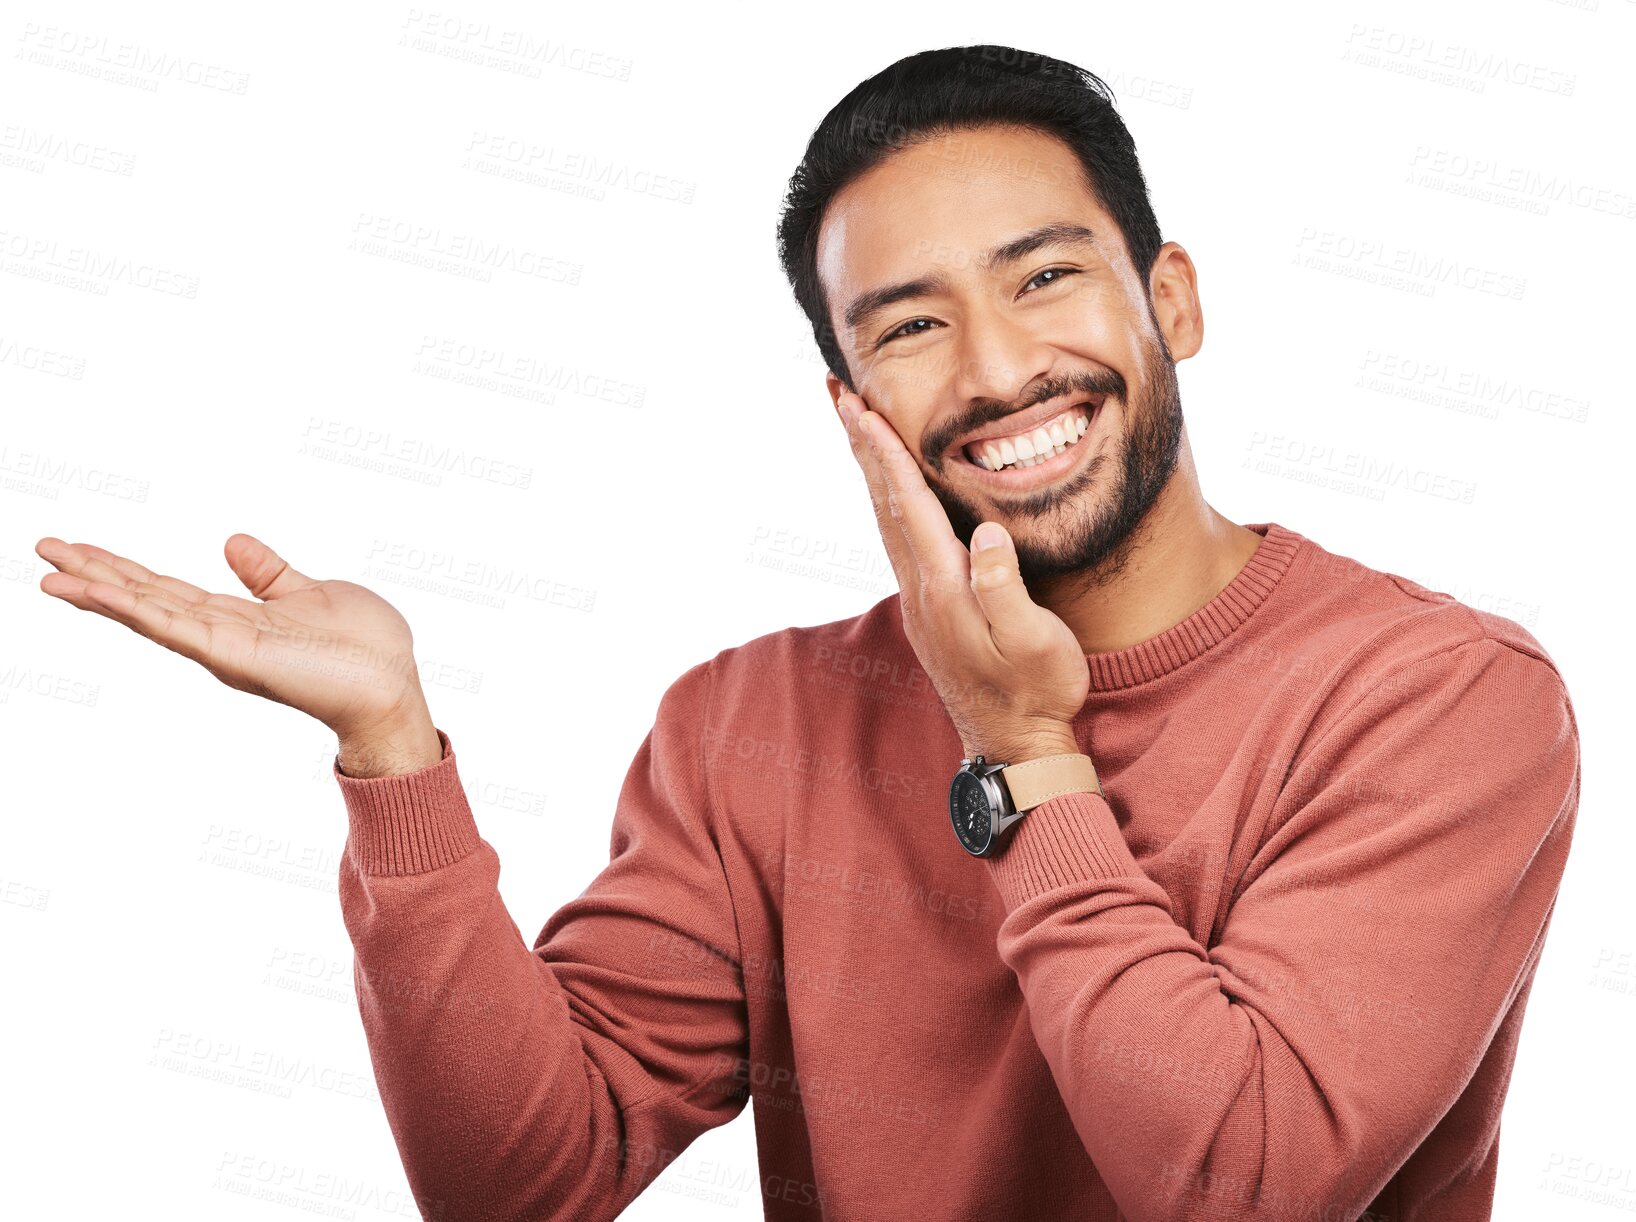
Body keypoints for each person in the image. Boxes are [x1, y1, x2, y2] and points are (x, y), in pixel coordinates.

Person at [36, 44, 1579, 1222]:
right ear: (851, 402)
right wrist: (392, 755)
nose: (999, 369)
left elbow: (1243, 1177)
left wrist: (1027, 755)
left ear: (1168, 299)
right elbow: (525, 1177)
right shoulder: (754, 719)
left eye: (1046, 278)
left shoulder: (1440, 699)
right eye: (908, 326)